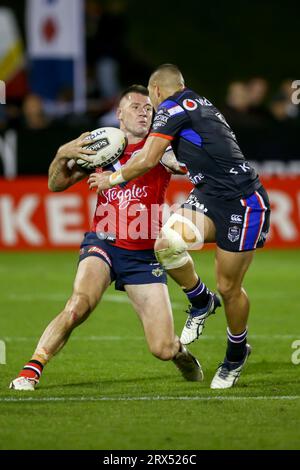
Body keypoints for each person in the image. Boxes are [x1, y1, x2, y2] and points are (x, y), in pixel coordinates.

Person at [10, 84, 204, 391]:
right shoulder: (104, 146)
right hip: (103, 243)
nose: (144, 112)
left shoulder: (160, 149)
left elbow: (190, 164)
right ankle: (31, 369)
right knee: (78, 304)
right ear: (119, 114)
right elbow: (56, 184)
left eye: (148, 109)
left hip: (144, 254)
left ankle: (180, 353)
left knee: (162, 348)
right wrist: (63, 153)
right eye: (136, 107)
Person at [90, 65, 271, 389]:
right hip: (209, 195)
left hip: (243, 204)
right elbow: (188, 153)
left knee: (229, 288)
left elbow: (147, 159)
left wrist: (111, 178)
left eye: (150, 101)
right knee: (166, 244)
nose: (150, 108)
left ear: (157, 91)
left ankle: (235, 352)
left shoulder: (171, 110)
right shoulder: (199, 103)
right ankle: (201, 300)